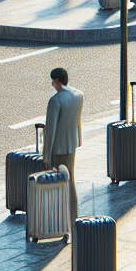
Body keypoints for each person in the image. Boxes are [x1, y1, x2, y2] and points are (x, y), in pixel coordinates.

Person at [43, 67, 84, 226]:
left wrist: (46, 155)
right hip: (71, 145)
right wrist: (78, 139)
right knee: (70, 179)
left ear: (57, 81)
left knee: (59, 183)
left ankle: (60, 218)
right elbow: (78, 121)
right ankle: (73, 214)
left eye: (53, 81)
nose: (53, 85)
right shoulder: (78, 95)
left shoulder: (56, 101)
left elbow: (50, 130)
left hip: (58, 149)